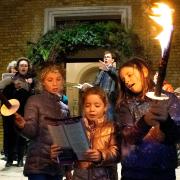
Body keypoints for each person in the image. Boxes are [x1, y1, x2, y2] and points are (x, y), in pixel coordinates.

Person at [116, 57, 180, 180]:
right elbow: (128, 136)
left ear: (144, 71)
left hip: (163, 172)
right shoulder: (124, 104)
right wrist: (145, 122)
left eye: (130, 75)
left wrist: (166, 122)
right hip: (133, 173)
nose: (127, 81)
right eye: (124, 80)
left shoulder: (169, 99)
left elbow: (177, 134)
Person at [51, 87, 120, 180]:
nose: (92, 109)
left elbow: (117, 153)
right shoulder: (76, 127)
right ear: (83, 107)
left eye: (97, 105)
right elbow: (70, 156)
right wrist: (57, 155)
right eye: (87, 105)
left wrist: (101, 155)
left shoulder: (112, 127)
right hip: (80, 176)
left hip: (104, 176)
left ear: (105, 107)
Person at [14, 64, 70, 180]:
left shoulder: (65, 107)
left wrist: (68, 168)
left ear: (63, 81)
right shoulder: (34, 101)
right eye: (50, 80)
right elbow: (31, 132)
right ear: (43, 82)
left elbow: (65, 139)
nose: (55, 83)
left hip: (58, 165)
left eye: (58, 79)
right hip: (38, 164)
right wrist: (23, 125)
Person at [1, 57, 36, 167]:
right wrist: (13, 87)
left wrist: (31, 85)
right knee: (10, 134)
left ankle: (20, 159)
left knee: (21, 136)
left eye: (25, 65)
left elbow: (34, 96)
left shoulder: (32, 81)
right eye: (21, 65)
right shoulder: (10, 80)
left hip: (23, 112)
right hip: (10, 112)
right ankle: (10, 159)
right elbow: (4, 95)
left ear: (28, 68)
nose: (23, 67)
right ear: (18, 67)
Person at [93, 50, 119, 121]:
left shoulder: (115, 71)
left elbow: (116, 77)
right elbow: (96, 84)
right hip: (100, 99)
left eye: (108, 57)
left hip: (110, 100)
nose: (106, 58)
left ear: (112, 60)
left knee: (109, 120)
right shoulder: (101, 72)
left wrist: (108, 70)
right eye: (105, 57)